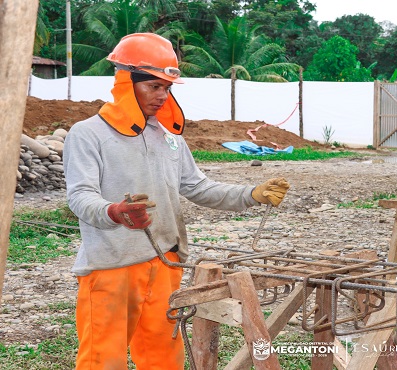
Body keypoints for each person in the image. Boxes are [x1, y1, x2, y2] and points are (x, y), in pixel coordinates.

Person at [63, 33, 290, 369]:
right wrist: (115, 212)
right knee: (103, 358)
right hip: (112, 266)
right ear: (127, 82)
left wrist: (251, 194)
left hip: (166, 264)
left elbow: (197, 187)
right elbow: (80, 197)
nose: (162, 95)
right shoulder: (87, 134)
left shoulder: (169, 139)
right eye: (154, 86)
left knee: (163, 358)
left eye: (167, 88)